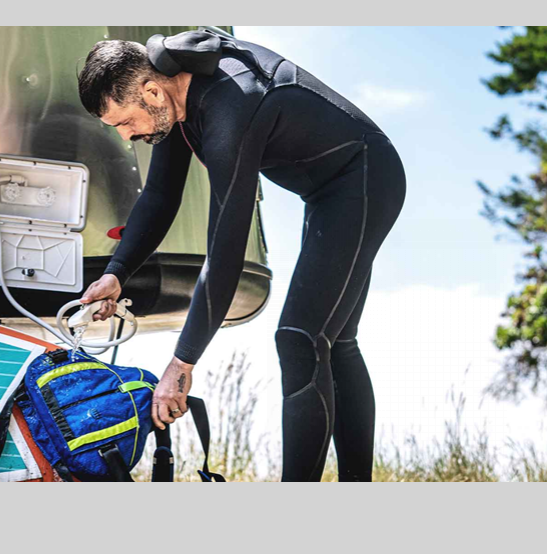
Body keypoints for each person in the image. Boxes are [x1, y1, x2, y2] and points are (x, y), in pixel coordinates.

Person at [76, 29, 406, 481]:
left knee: (300, 338)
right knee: (336, 341)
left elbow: (225, 253)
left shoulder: (231, 106)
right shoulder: (174, 97)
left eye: (124, 122)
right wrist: (117, 273)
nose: (127, 135)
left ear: (150, 92)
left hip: (365, 178)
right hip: (330, 192)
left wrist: (182, 362)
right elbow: (160, 196)